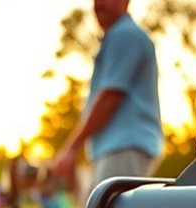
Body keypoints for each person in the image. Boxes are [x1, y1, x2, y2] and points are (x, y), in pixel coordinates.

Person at [51, 0, 163, 193]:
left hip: (124, 147)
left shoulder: (125, 35)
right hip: (120, 149)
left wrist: (71, 148)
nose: (99, 4)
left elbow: (109, 97)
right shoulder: (118, 36)